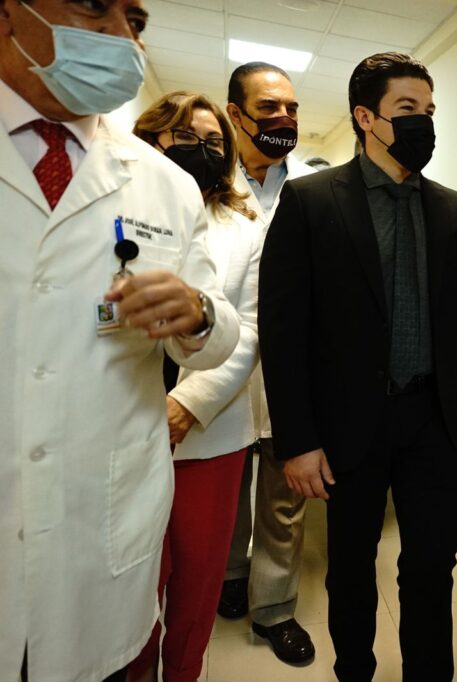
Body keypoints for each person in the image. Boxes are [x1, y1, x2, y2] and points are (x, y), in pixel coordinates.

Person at [258, 51, 457, 680]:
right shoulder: (312, 200)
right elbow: (282, 330)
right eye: (407, 108)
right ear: (366, 117)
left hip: (434, 422)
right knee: (350, 565)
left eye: (429, 110)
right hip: (349, 423)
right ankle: (355, 670)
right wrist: (299, 441)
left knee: (430, 567)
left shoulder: (454, 208)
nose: (423, 121)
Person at [0, 1, 240, 680]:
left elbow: (220, 331)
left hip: (100, 523)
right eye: (92, 5)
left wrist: (196, 312)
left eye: (135, 20)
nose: (121, 36)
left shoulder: (165, 183)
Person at [126, 91, 262, 682]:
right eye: (185, 137)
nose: (201, 150)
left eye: (212, 142)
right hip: (125, 423)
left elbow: (250, 329)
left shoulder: (246, 230)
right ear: (151, 139)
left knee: (199, 575)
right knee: (134, 578)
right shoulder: (118, 208)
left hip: (211, 432)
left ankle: (183, 671)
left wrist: (187, 403)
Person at [218, 60, 316, 665]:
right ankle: (230, 576)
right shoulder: (205, 181)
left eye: (292, 108)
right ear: (236, 113)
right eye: (268, 108)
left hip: (291, 367)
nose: (284, 118)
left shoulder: (312, 188)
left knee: (283, 496)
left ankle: (274, 607)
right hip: (221, 362)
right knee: (227, 484)